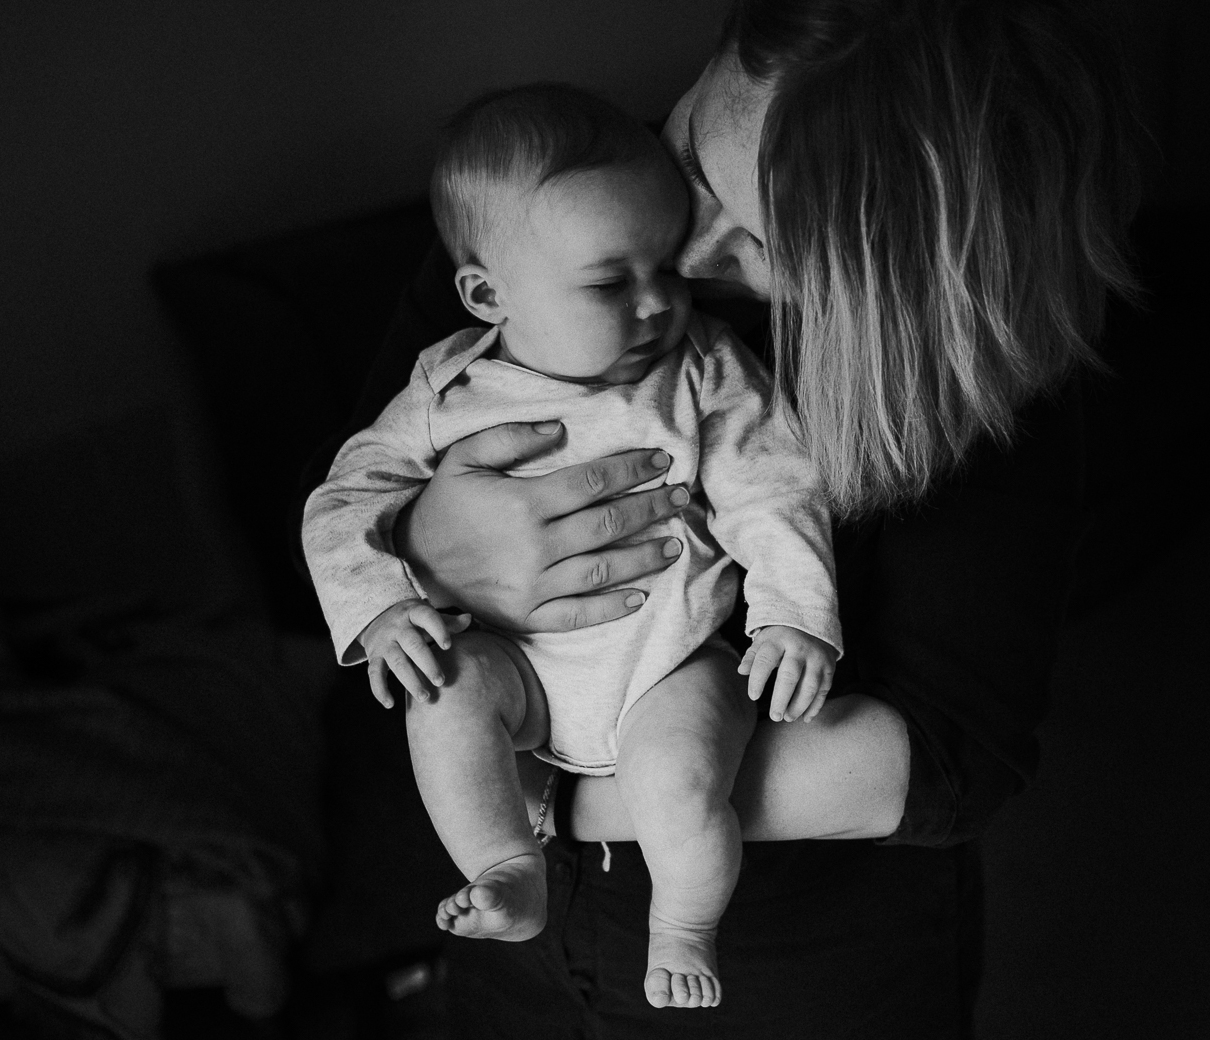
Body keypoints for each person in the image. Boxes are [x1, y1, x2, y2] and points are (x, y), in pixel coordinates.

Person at [293, 0, 1139, 1035]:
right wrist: (430, 553)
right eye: (692, 150)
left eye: (762, 245)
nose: (682, 252)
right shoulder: (544, 210)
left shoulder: (964, 379)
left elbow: (954, 757)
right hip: (513, 910)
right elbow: (348, 498)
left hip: (786, 942)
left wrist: (550, 795)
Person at [302, 84, 841, 1010]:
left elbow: (773, 486)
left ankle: (684, 924)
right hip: (517, 667)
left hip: (671, 659)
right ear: (488, 294)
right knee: (446, 697)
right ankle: (507, 862)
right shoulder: (447, 387)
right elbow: (345, 500)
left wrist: (793, 615)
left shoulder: (703, 367)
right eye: (609, 283)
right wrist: (383, 604)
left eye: (666, 267)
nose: (656, 302)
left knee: (679, 779)